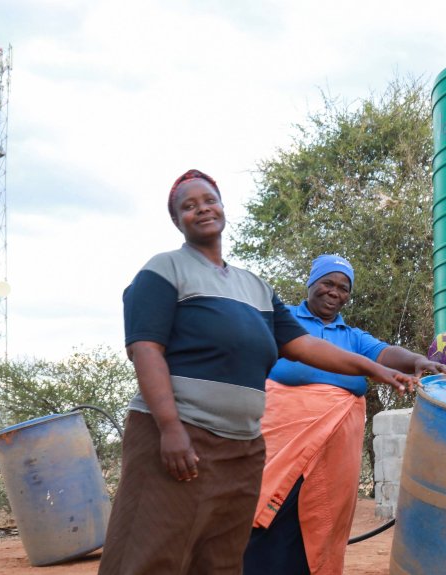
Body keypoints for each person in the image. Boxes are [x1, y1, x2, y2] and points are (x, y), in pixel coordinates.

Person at [99, 170, 416, 575]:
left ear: (222, 207)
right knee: (153, 546)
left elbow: (305, 347)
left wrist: (377, 371)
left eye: (209, 200)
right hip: (182, 434)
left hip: (243, 445)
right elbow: (145, 348)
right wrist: (169, 427)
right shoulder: (165, 270)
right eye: (189, 205)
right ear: (177, 220)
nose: (202, 209)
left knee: (222, 554)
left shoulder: (255, 288)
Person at [244, 254, 446, 575]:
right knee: (270, 515)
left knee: (321, 521)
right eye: (327, 283)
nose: (335, 292)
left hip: (336, 455)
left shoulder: (352, 336)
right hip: (281, 445)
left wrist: (417, 361)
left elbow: (385, 352)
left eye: (343, 288)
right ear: (311, 283)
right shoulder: (283, 323)